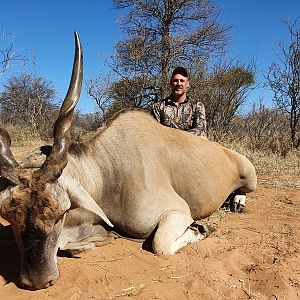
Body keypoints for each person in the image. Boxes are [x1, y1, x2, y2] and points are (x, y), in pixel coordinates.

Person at [151, 66, 207, 137]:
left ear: (187, 84)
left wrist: (178, 138)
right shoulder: (158, 107)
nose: (179, 84)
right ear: (171, 83)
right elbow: (155, 132)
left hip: (190, 145)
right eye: (175, 81)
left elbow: (201, 131)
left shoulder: (197, 106)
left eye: (182, 81)